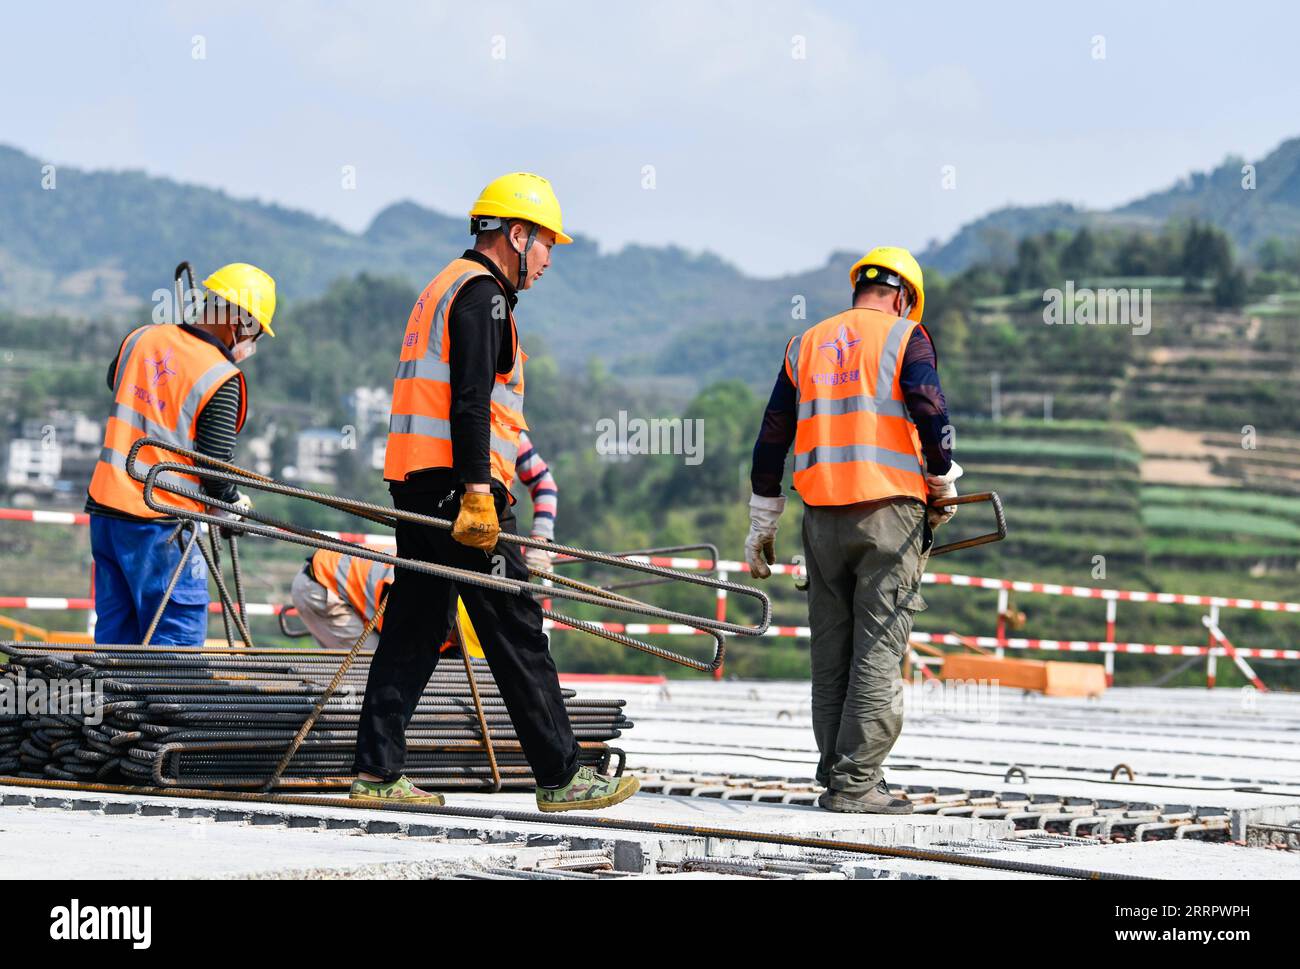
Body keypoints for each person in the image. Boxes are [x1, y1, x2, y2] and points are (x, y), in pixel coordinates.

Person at [349, 172, 639, 812]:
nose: (546, 262)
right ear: (516, 235)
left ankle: (375, 773)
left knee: (416, 624)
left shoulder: (443, 287)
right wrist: (479, 494)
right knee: (516, 625)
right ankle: (562, 775)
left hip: (419, 479)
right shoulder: (485, 296)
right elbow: (471, 400)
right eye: (546, 247)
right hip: (459, 490)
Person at [744, 246, 962, 814]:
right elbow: (929, 409)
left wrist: (762, 519)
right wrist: (941, 478)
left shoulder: (807, 344)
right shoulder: (904, 335)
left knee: (832, 649)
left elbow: (772, 436)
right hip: (889, 515)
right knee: (878, 648)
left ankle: (836, 774)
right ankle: (857, 783)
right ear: (904, 296)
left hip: (821, 521)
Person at [85, 263, 276, 646]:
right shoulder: (220, 376)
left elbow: (118, 381)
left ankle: (110, 705)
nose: (253, 340)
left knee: (116, 638)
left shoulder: (141, 337)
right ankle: (163, 707)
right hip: (161, 522)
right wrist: (232, 503)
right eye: (254, 328)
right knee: (175, 642)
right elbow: (215, 467)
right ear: (237, 319)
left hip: (107, 513)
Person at [291, 429, 561, 650]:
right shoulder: (434, 426)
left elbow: (544, 484)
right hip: (328, 583)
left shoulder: (507, 429)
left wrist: (541, 541)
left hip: (485, 535)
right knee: (380, 669)